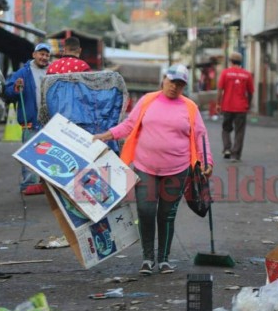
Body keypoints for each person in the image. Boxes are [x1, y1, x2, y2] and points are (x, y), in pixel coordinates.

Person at [93, 64, 214, 275]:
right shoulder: (148, 100)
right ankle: (147, 258)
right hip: (145, 167)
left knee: (167, 215)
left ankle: (164, 259)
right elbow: (129, 125)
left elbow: (200, 136)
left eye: (180, 84)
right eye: (171, 81)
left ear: (184, 86)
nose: (174, 87)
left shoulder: (190, 107)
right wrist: (107, 135)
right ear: (164, 80)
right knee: (146, 211)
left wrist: (207, 162)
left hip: (177, 169)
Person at [5, 43, 51, 195]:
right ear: (34, 55)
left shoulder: (52, 72)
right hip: (31, 120)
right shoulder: (23, 73)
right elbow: (8, 92)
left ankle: (47, 185)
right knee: (31, 154)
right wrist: (16, 88)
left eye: (46, 55)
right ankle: (29, 184)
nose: (43, 57)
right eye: (41, 54)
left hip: (50, 122)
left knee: (49, 154)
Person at [217, 51, 254, 161]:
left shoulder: (225, 73)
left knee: (226, 129)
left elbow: (220, 89)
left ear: (230, 61)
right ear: (241, 61)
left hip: (227, 106)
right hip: (241, 107)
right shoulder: (247, 74)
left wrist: (218, 104)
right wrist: (249, 104)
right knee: (240, 131)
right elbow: (251, 92)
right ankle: (236, 154)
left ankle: (227, 148)